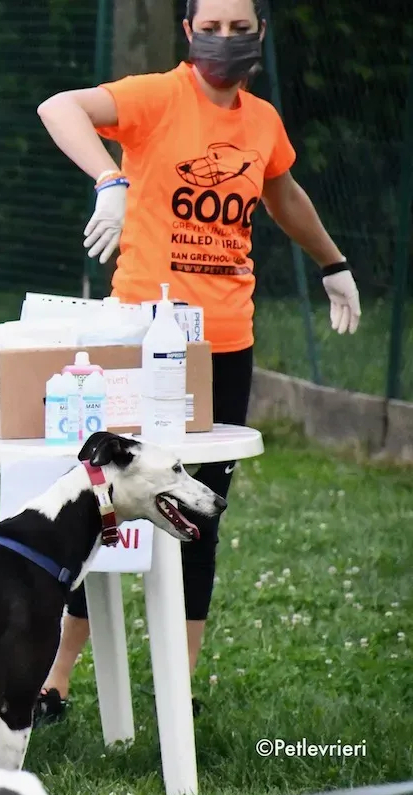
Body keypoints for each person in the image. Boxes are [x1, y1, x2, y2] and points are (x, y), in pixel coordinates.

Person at [32, 0, 362, 724]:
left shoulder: (262, 122)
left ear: (261, 33)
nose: (225, 40)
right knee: (99, 505)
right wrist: (110, 181)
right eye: (210, 26)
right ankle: (55, 679)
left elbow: (282, 191)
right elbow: (59, 107)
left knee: (200, 511)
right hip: (140, 338)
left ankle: (176, 689)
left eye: (240, 28)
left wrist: (332, 261)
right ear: (187, 31)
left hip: (224, 346)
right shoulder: (155, 98)